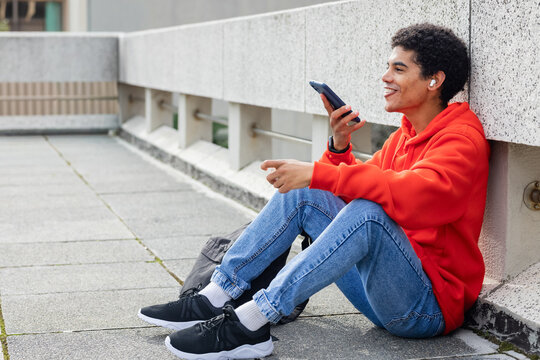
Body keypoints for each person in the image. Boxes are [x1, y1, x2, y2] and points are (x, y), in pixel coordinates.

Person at [138, 23, 490, 359]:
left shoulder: (461, 138)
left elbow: (417, 196)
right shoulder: (406, 135)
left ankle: (252, 321)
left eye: (398, 69)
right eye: (388, 68)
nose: (385, 78)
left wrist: (319, 173)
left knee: (366, 213)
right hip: (383, 292)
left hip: (425, 309)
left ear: (434, 80)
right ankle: (215, 296)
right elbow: (355, 186)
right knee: (304, 194)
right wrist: (338, 147)